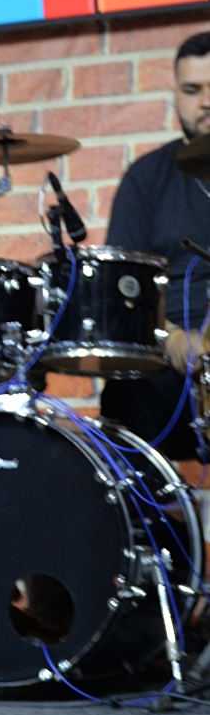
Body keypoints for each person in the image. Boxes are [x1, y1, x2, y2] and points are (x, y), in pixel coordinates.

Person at [99, 31, 210, 463]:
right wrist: (171, 337)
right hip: (173, 361)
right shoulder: (147, 178)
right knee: (127, 395)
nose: (205, 102)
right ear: (176, 96)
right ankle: (149, 506)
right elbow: (123, 290)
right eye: (192, 90)